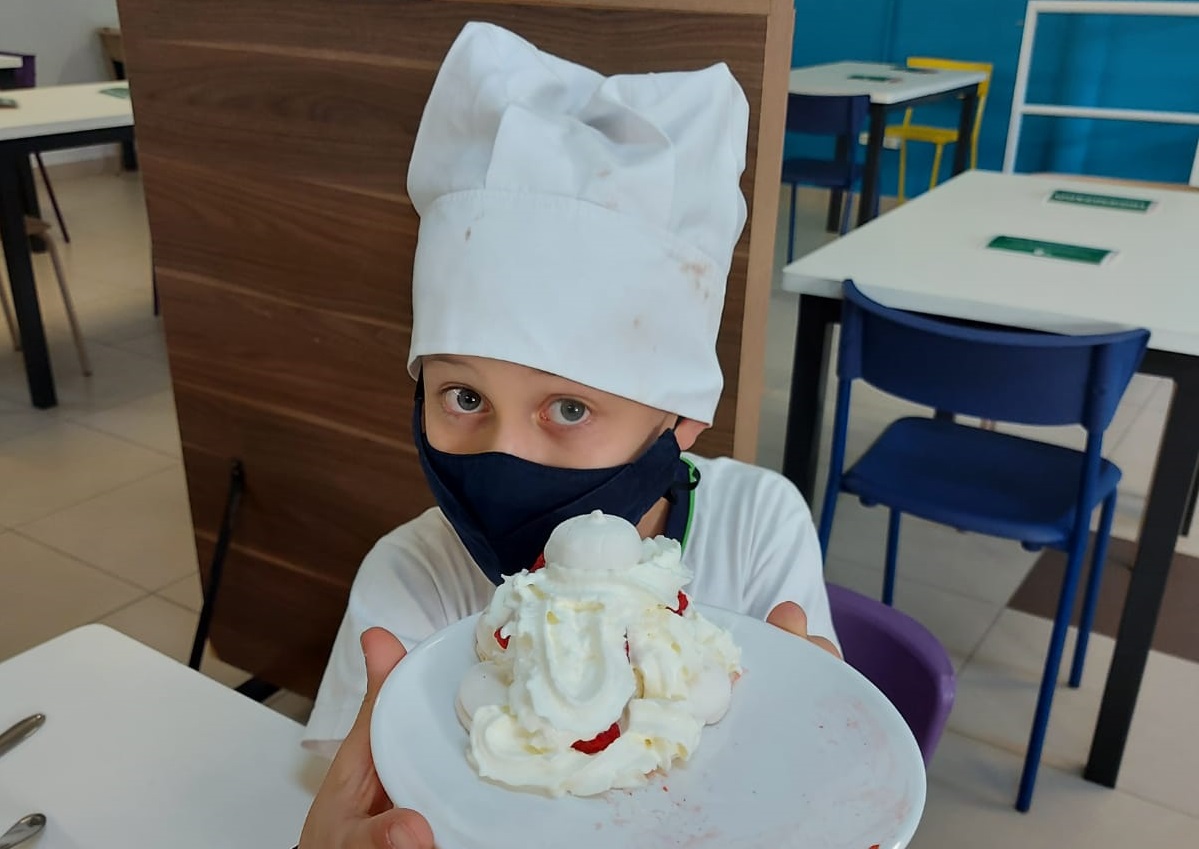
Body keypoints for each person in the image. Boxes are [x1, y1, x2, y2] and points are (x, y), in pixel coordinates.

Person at [297, 21, 839, 848]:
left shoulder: (760, 526)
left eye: (570, 408)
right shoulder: (412, 578)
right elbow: (366, 793)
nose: (502, 451)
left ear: (680, 416)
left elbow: (788, 774)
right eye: (463, 395)